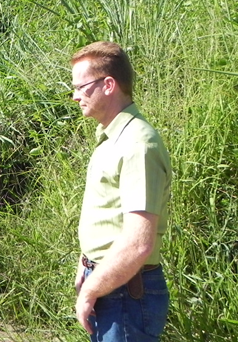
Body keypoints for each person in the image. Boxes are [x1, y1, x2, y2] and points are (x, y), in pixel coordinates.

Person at [70, 42, 172, 342]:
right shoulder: (113, 138)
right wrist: (86, 264)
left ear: (109, 85)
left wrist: (92, 288)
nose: (75, 96)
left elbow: (138, 243)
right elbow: (108, 215)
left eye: (81, 87)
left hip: (126, 292)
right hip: (111, 284)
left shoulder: (137, 144)